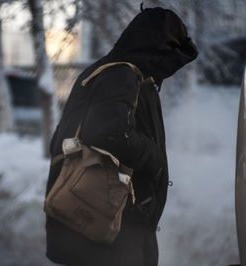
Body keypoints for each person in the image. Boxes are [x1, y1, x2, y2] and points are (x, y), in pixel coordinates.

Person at [45, 7, 198, 266]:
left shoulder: (108, 72)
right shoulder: (121, 75)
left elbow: (63, 139)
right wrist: (154, 157)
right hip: (112, 225)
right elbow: (108, 133)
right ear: (156, 49)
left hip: (100, 222)